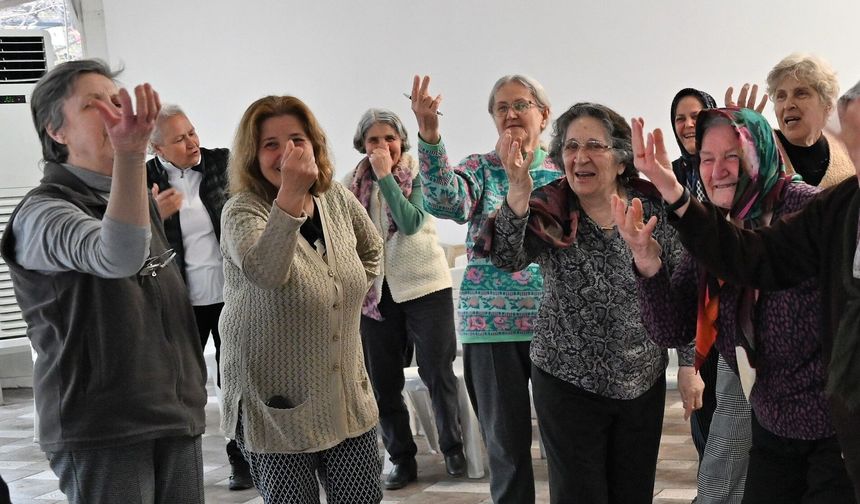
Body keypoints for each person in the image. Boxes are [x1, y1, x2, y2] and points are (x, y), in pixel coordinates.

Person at [625, 81, 860, 501]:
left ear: (759, 154)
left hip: (838, 431)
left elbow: (757, 254)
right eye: (707, 158)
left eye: (732, 156)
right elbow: (673, 326)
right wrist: (647, 260)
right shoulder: (713, 225)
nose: (717, 170)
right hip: (771, 422)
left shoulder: (808, 208)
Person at [0, 59, 207, 503]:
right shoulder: (43, 212)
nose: (117, 114)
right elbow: (118, 257)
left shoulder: (131, 196)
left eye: (118, 101)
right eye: (96, 106)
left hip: (172, 412)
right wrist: (133, 154)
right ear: (57, 131)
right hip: (103, 426)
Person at [489, 102, 691, 504]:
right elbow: (506, 258)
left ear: (620, 161)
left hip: (641, 379)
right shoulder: (548, 206)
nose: (579, 157)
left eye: (594, 146)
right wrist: (517, 193)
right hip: (566, 379)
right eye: (571, 146)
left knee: (632, 494)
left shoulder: (651, 208)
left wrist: (689, 365)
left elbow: (681, 290)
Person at [219, 95, 384, 503]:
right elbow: (265, 273)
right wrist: (290, 197)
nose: (286, 153)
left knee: (362, 498)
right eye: (270, 144)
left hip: (344, 392)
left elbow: (372, 249)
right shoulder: (242, 212)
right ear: (252, 155)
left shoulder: (336, 199)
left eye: (296, 139)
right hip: (275, 401)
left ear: (314, 144)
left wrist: (338, 292)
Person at [409, 74, 562, 504]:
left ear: (543, 114)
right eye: (501, 107)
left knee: (567, 446)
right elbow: (443, 201)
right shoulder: (479, 168)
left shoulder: (561, 171)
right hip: (491, 327)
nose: (511, 114)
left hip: (557, 325)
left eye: (521, 104)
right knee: (507, 449)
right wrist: (430, 134)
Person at [346, 108, 464, 489]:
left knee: (436, 371)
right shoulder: (350, 184)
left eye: (389, 138)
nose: (382, 146)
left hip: (426, 287)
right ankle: (401, 458)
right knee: (383, 381)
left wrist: (386, 177)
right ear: (362, 145)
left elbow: (411, 222)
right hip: (375, 296)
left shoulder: (419, 174)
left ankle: (453, 447)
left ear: (401, 140)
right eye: (373, 140)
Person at [145, 105, 253, 491]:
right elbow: (129, 239)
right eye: (180, 138)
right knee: (182, 383)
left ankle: (243, 460)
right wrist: (151, 214)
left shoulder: (225, 164)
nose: (192, 142)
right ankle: (175, 466)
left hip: (232, 295)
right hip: (179, 301)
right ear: (156, 146)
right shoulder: (143, 181)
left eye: (192, 132)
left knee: (235, 380)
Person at [671, 88, 752, 504]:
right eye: (680, 117)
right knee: (716, 445)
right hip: (702, 332)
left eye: (695, 115)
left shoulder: (752, 189)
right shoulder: (666, 183)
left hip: (742, 335)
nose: (687, 124)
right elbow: (681, 281)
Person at [727, 54, 854, 187]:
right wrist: (740, 143)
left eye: (801, 93)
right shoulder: (758, 145)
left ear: (827, 104)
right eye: (781, 96)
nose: (788, 105)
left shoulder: (850, 153)